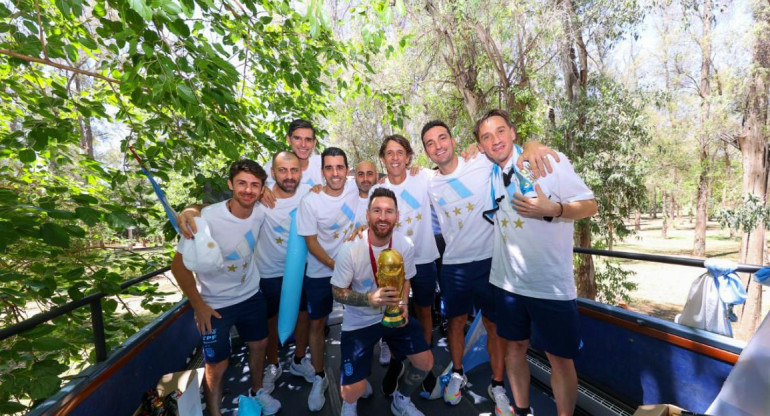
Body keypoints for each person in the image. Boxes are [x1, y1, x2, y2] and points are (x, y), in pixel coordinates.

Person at [420, 120, 558, 412]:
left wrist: (532, 145)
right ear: (426, 151)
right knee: (455, 323)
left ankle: (497, 385)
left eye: (442, 138)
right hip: (454, 265)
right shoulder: (427, 181)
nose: (438, 146)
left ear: (454, 140)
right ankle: (457, 373)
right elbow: (391, 182)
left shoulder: (481, 160)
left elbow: (515, 152)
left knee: (495, 327)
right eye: (430, 143)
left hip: (491, 261)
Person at [475, 109, 597, 416]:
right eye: (486, 137)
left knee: (559, 359)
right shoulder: (488, 172)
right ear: (480, 146)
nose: (495, 141)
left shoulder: (547, 162)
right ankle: (523, 409)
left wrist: (553, 208)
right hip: (506, 283)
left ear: (514, 133)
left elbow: (590, 205)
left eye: (500, 131)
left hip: (550, 285)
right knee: (514, 349)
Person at [175, 152, 318, 389]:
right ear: (273, 173)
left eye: (294, 170)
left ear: (301, 172)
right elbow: (214, 209)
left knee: (302, 317)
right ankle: (273, 365)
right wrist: (188, 210)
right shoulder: (261, 199)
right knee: (268, 326)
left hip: (294, 272)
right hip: (266, 273)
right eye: (283, 170)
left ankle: (299, 360)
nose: (289, 175)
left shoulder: (308, 193)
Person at [170, 160, 280, 416]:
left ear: (262, 189)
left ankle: (257, 391)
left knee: (260, 344)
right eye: (242, 183)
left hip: (251, 294)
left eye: (255, 185)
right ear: (230, 184)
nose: (248, 190)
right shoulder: (206, 219)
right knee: (216, 365)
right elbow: (179, 268)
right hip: (214, 303)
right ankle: (215, 412)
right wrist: (199, 306)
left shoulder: (261, 212)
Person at [331, 188, 435, 416]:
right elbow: (337, 292)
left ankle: (401, 399)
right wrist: (369, 299)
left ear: (397, 217)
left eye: (389, 211)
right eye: (377, 210)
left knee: (425, 362)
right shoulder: (350, 248)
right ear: (367, 215)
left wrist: (404, 305)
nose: (383, 216)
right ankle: (353, 396)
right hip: (359, 321)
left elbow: (406, 279)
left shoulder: (404, 244)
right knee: (352, 391)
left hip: (394, 314)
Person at [296, 146, 361, 411]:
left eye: (340, 167)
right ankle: (320, 377)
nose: (335, 173)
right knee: (317, 323)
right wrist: (336, 267)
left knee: (358, 321)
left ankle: (356, 376)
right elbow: (310, 242)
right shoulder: (310, 200)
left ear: (347, 169)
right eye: (329, 168)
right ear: (322, 171)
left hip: (353, 270)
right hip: (321, 271)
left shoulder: (356, 187)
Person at [264, 119, 324, 187]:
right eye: (297, 138)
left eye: (308, 139)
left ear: (314, 143)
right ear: (289, 139)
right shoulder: (275, 164)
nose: (303, 144)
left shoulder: (323, 163)